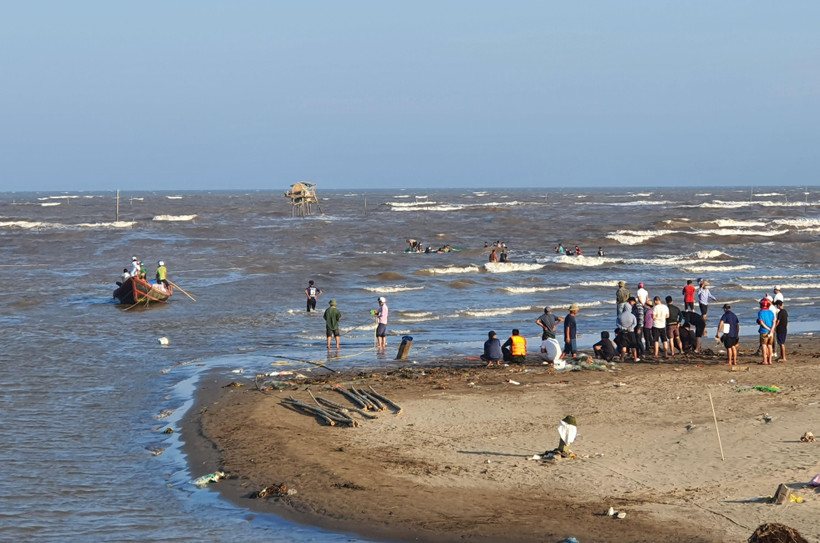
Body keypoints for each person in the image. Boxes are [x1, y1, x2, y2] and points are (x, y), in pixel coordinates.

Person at [757, 298, 775, 365]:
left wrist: (768, 328)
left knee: (764, 345)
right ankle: (770, 360)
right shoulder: (771, 312)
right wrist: (772, 329)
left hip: (764, 331)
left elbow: (761, 322)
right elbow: (774, 322)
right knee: (770, 345)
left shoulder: (760, 312)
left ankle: (765, 360)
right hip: (771, 331)